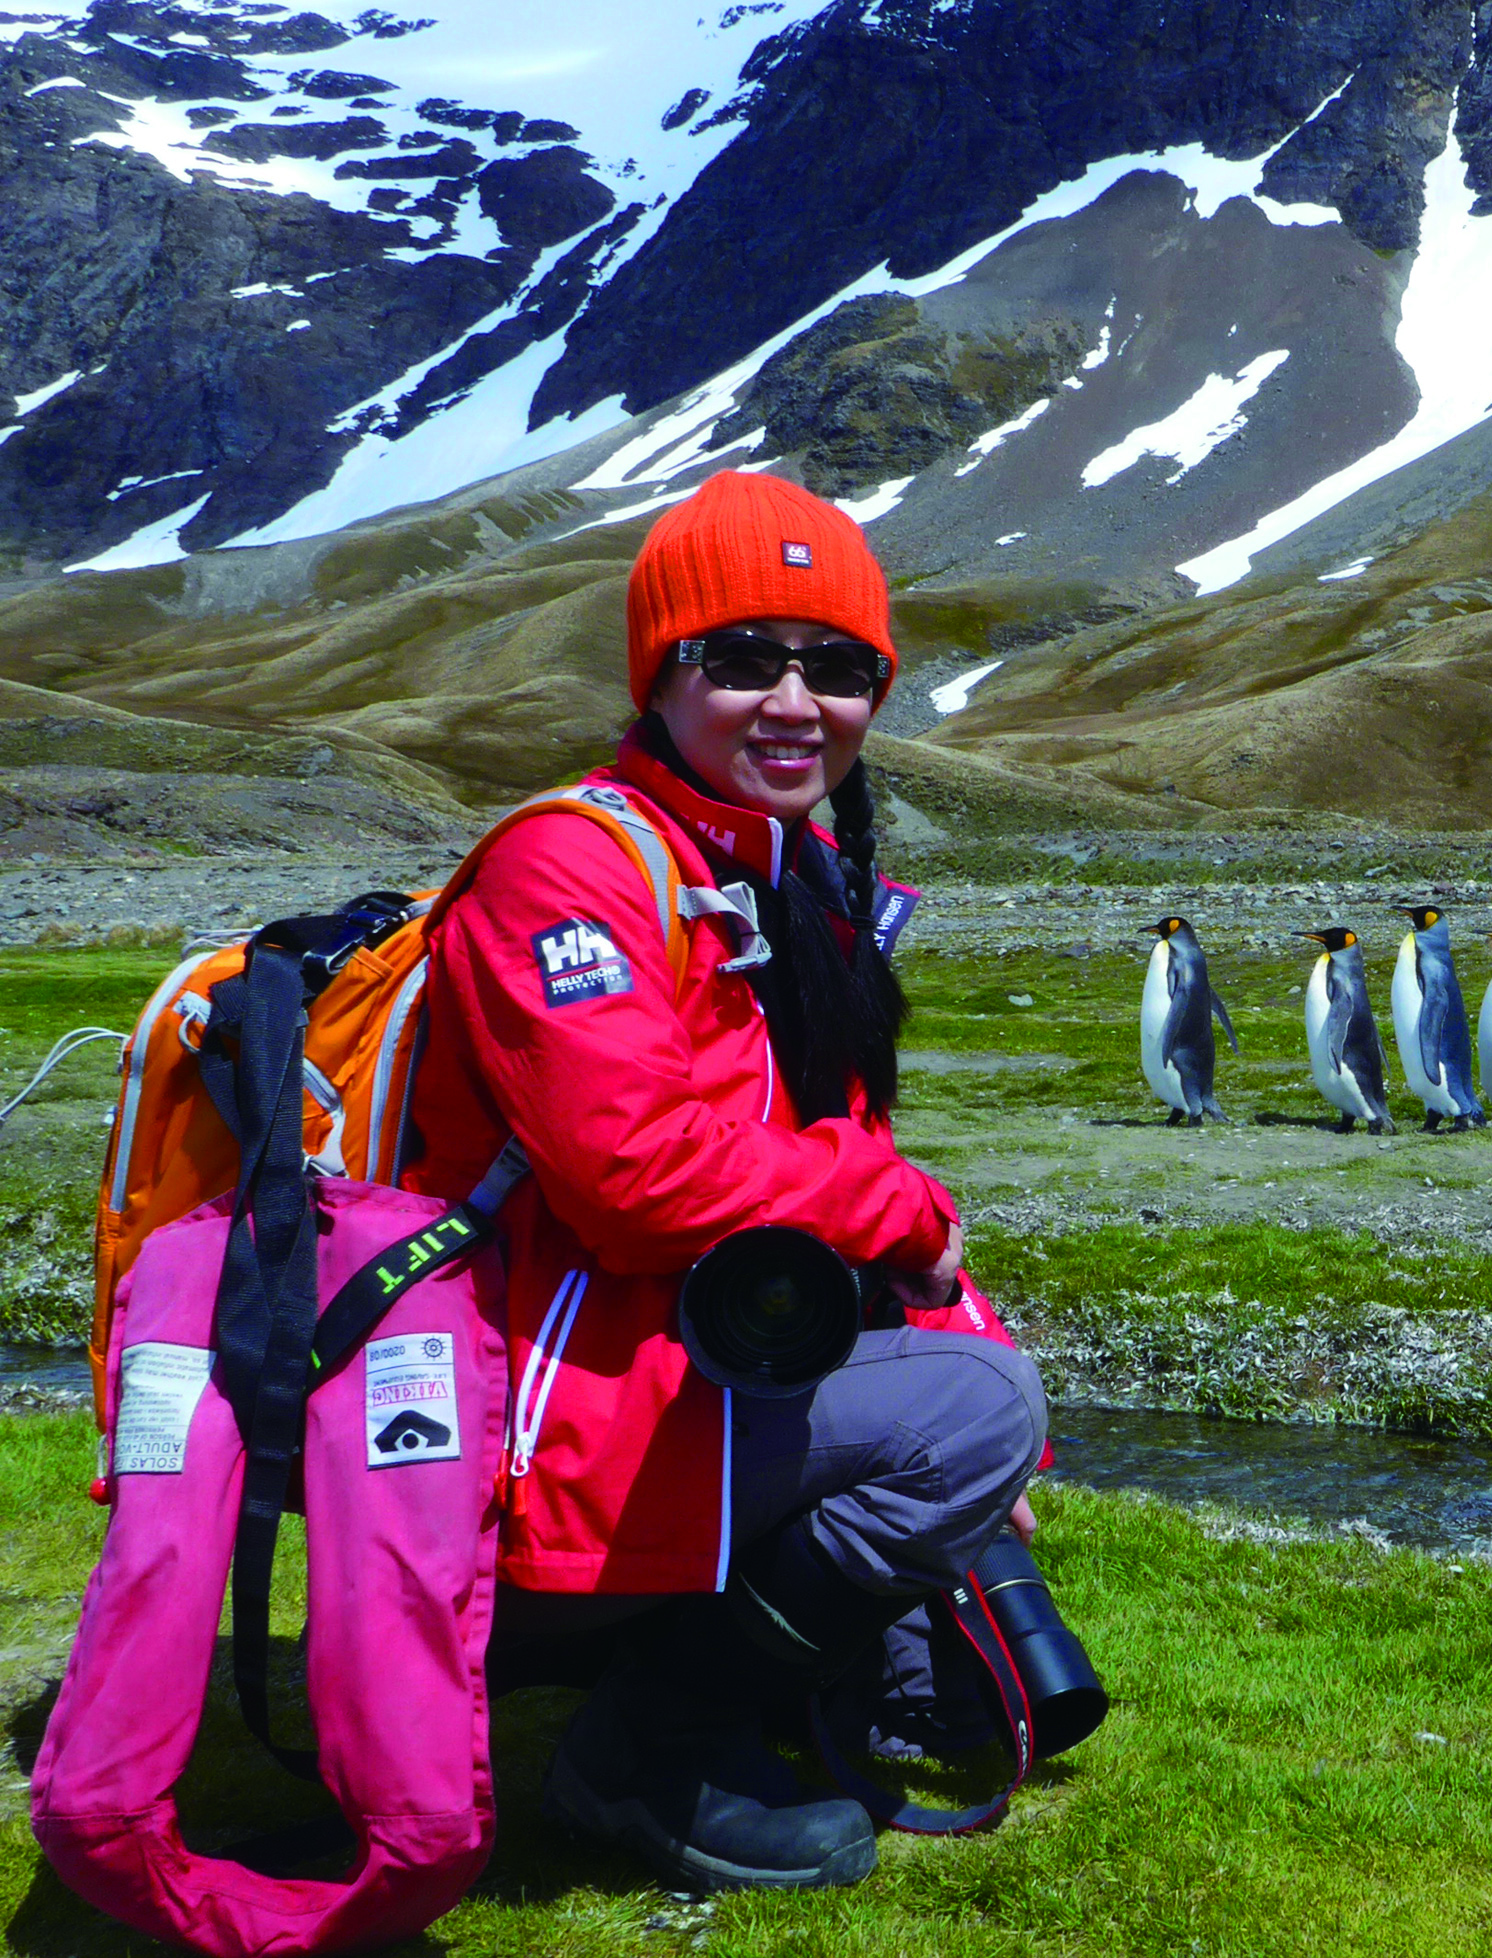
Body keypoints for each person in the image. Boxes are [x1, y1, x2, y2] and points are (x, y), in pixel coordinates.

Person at [404, 469, 1049, 1892]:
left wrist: (953, 1308)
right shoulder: (568, 868)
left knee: (977, 1406)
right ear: (662, 674)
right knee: (975, 1418)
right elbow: (634, 1174)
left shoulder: (789, 875)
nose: (794, 701)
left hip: (675, 1380)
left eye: (838, 667)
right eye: (743, 657)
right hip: (540, 1429)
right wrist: (913, 1240)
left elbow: (833, 1160)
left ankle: (757, 1672)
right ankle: (646, 1745)